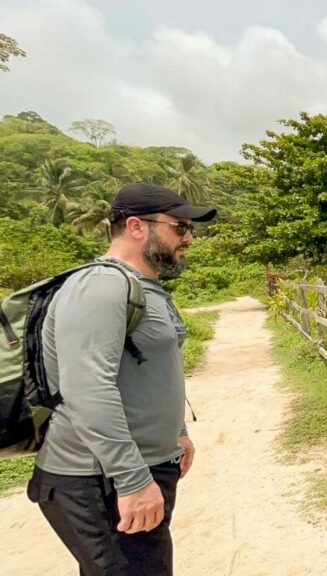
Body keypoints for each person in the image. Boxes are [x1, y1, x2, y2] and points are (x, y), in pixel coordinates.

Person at [26, 182, 216, 575]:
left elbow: (152, 371)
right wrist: (131, 480)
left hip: (138, 467)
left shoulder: (144, 288)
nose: (189, 238)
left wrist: (176, 432)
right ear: (136, 226)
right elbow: (87, 389)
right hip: (98, 478)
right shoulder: (99, 286)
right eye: (179, 227)